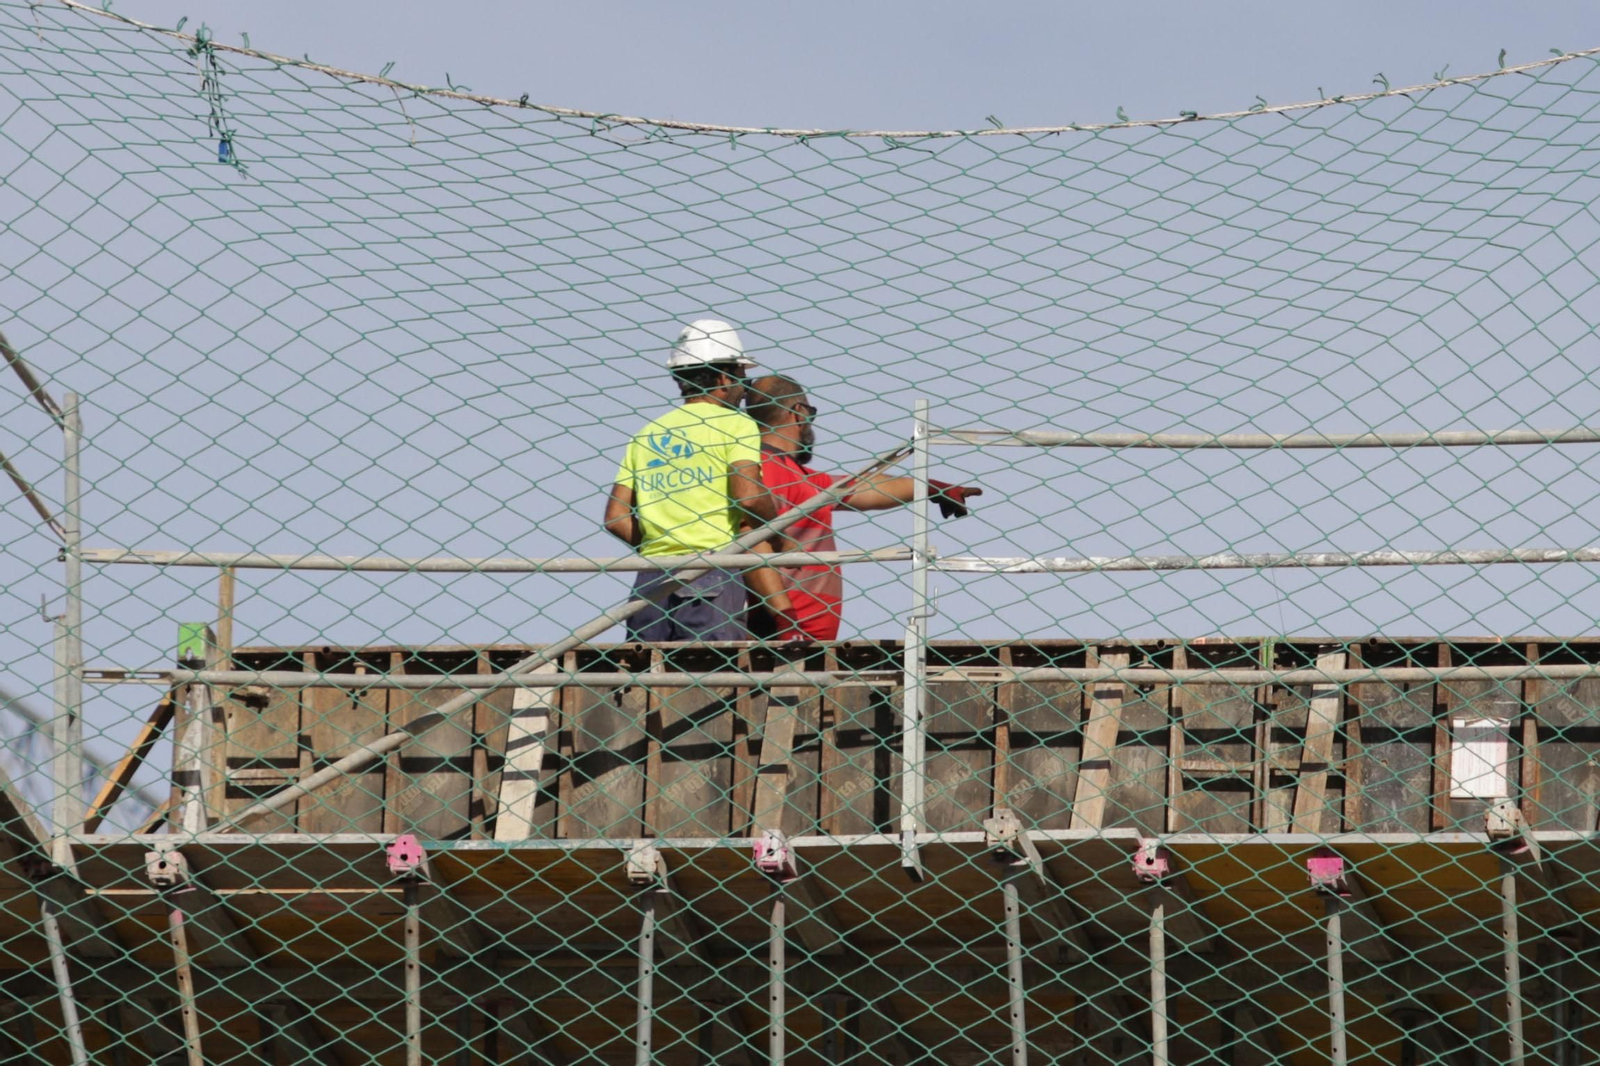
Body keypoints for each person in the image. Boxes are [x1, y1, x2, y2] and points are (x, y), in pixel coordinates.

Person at [743, 374, 982, 641]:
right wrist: (784, 620)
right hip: (787, 633)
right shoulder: (762, 469)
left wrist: (931, 487)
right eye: (811, 412)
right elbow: (751, 541)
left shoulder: (798, 476)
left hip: (803, 634)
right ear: (798, 413)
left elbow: (866, 489)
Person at [603, 320, 794, 643]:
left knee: (648, 684)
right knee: (711, 682)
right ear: (723, 377)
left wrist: (663, 542)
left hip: (650, 581)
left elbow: (616, 518)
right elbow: (748, 497)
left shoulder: (648, 434)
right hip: (712, 572)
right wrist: (777, 530)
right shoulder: (736, 425)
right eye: (739, 374)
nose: (743, 385)